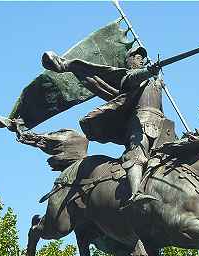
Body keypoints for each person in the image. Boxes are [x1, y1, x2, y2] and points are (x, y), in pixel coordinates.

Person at [42, 46, 164, 206]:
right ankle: (135, 194)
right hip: (141, 122)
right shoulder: (128, 77)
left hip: (162, 124)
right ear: (130, 61)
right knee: (137, 156)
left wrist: (156, 77)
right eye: (137, 56)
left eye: (142, 57)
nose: (140, 59)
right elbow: (134, 78)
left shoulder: (154, 82)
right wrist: (149, 71)